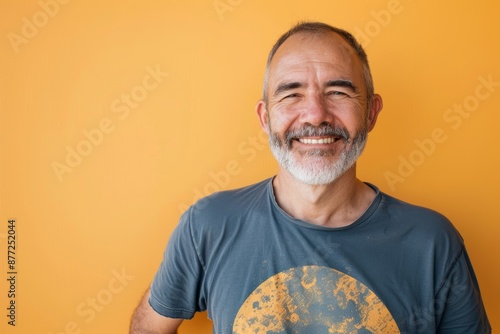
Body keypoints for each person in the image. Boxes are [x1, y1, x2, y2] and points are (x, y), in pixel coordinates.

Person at [130, 21, 491, 334]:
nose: (316, 114)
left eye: (338, 91)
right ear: (265, 117)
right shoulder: (207, 225)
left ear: (371, 113)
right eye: (291, 93)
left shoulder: (433, 243)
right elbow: (149, 325)